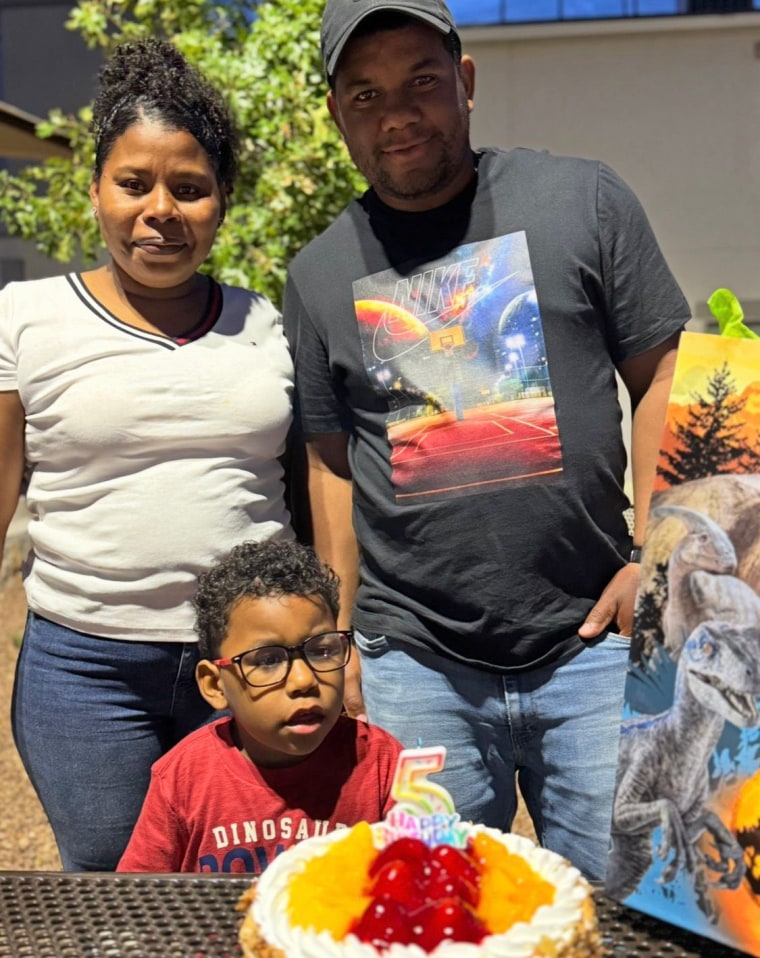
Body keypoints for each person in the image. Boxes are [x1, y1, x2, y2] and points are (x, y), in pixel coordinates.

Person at [282, 0, 691, 880]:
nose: (396, 114)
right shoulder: (316, 274)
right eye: (365, 95)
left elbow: (664, 375)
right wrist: (340, 635)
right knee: (430, 914)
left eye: (421, 82)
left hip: (596, 645)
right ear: (336, 116)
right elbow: (330, 463)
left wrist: (656, 565)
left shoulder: (581, 199)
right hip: (412, 665)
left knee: (629, 908)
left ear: (465, 82)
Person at [0, 38, 295, 871]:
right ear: (96, 190)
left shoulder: (265, 322)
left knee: (252, 883)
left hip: (251, 662)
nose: (158, 209)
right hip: (85, 671)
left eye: (190, 188)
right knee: (110, 889)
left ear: (222, 203)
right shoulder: (24, 316)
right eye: (133, 183)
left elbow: (316, 480)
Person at [117, 539, 402, 873]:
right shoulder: (183, 778)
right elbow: (139, 899)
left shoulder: (383, 765)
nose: (303, 681)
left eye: (322, 650)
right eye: (268, 660)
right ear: (215, 684)